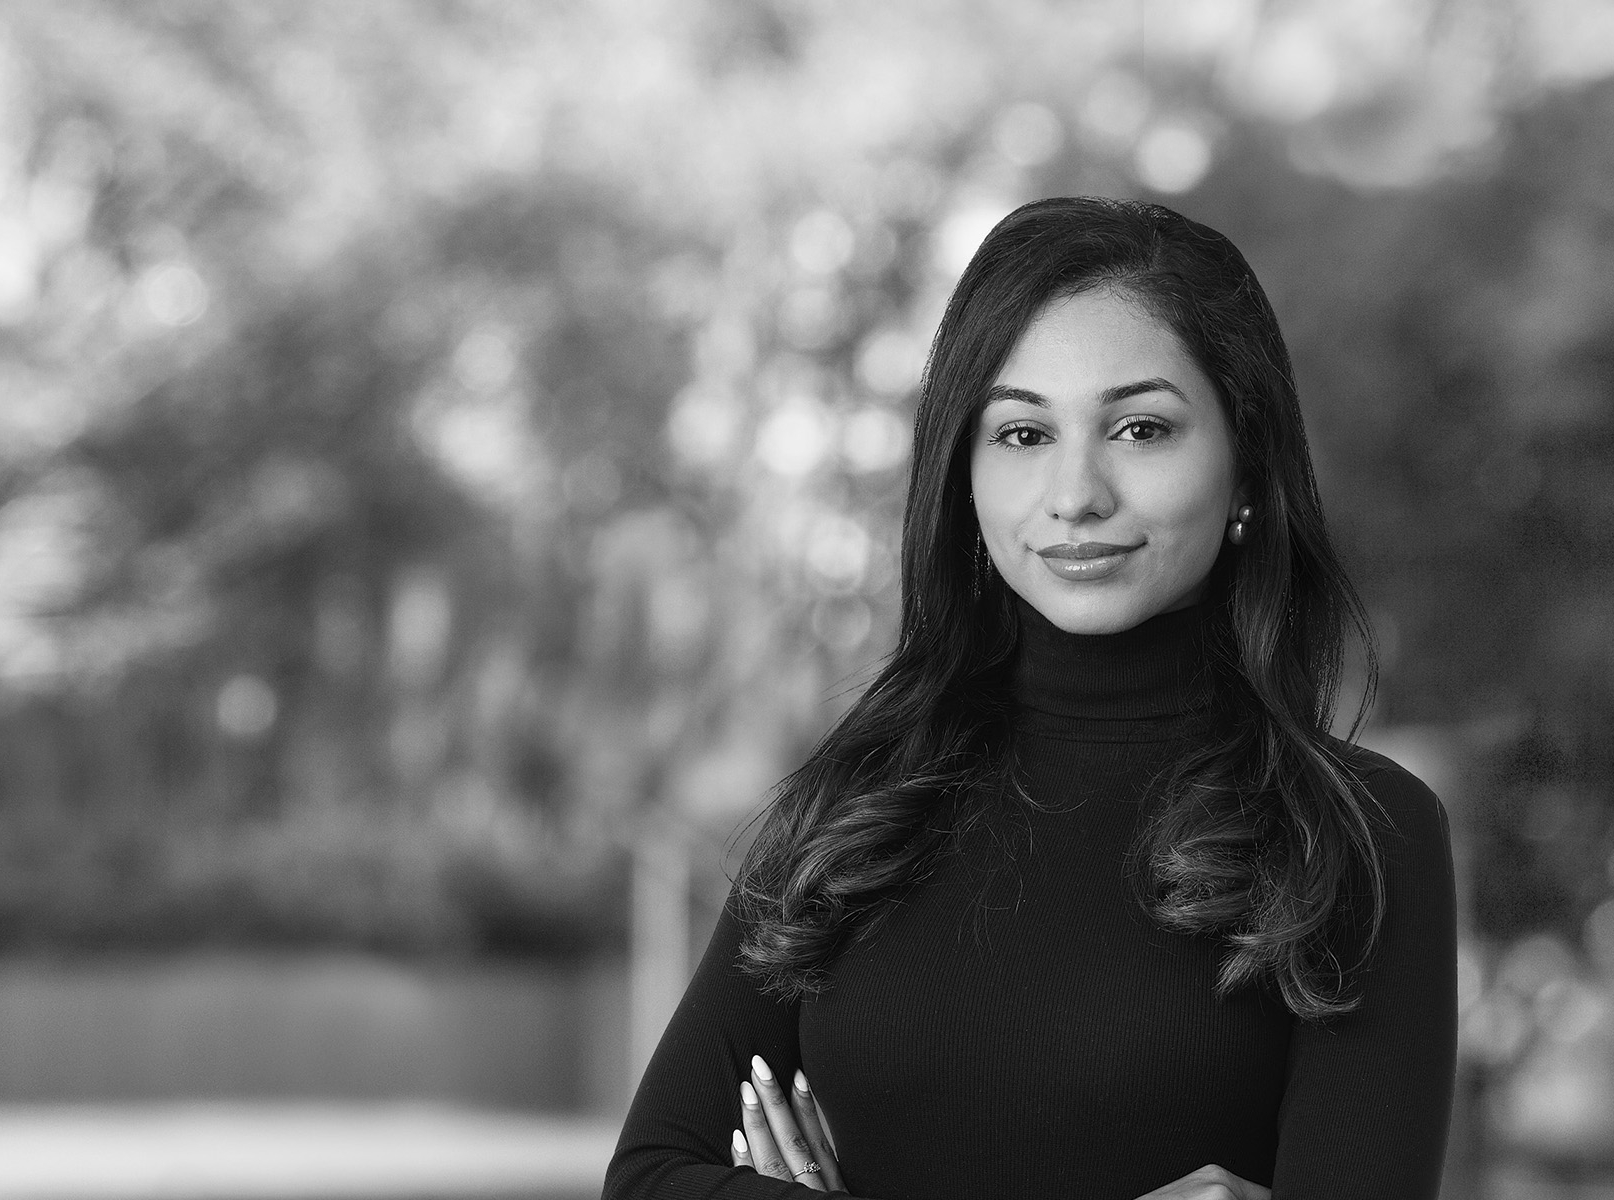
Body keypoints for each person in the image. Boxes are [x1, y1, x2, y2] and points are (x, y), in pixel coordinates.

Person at [606, 197, 1455, 1200]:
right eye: (1021, 433)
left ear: (1247, 467)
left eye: (1141, 428)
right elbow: (650, 1177)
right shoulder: (857, 805)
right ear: (963, 478)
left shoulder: (1356, 838)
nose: (1075, 493)